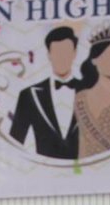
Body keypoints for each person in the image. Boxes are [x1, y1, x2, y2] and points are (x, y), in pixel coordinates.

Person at [8, 25, 82, 160]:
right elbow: (15, 144)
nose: (62, 58)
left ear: (75, 53)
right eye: (57, 52)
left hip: (85, 171)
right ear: (49, 55)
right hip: (44, 171)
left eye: (66, 51)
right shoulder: (29, 95)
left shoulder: (91, 91)